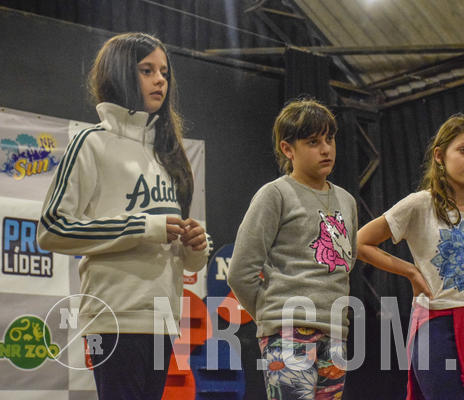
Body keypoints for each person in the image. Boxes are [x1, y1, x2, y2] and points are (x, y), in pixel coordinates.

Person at [37, 32, 210, 400]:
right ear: (119, 74)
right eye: (147, 70)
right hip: (113, 319)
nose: (160, 80)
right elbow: (52, 228)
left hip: (162, 321)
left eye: (164, 72)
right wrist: (144, 227)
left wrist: (195, 246)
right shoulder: (91, 143)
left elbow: (186, 258)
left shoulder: (170, 153)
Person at [357, 114, 464, 400]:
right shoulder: (421, 204)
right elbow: (361, 242)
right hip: (436, 323)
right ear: (439, 156)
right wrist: (411, 272)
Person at [227, 98, 357, 400]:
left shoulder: (347, 201)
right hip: (288, 332)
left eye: (329, 139)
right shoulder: (275, 194)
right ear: (288, 149)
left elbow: (346, 265)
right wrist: (273, 315)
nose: (325, 149)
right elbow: (240, 272)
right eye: (313, 142)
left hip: (336, 332)